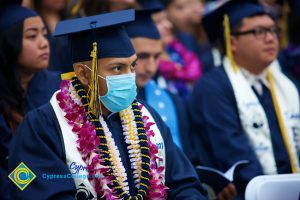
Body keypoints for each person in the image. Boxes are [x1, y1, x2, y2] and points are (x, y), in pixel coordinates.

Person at [9, 9, 207, 199]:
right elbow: (37, 191)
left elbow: (185, 184)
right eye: (117, 68)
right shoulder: (42, 126)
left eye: (132, 66)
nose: (129, 77)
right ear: (84, 74)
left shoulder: (147, 116)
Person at [188, 0, 300, 199]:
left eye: (273, 30)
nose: (270, 38)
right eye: (259, 31)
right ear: (232, 42)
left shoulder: (286, 84)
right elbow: (234, 157)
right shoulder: (213, 88)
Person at [126, 8, 237, 200]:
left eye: (157, 56)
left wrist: (209, 187)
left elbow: (189, 160)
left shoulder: (172, 101)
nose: (151, 67)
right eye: (142, 57)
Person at [0, 1, 61, 199]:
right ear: (8, 42)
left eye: (45, 34)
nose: (44, 43)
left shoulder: (58, 87)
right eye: (32, 36)